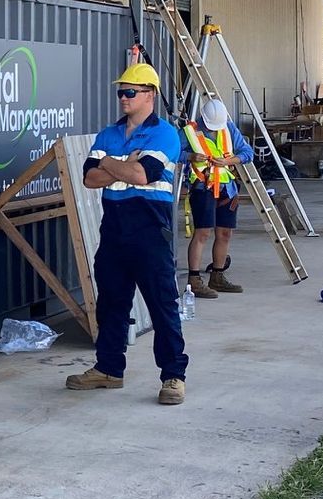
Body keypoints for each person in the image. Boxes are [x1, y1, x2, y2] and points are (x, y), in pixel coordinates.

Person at [65, 62, 188, 405]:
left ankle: (173, 376)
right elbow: (90, 179)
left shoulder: (164, 134)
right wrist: (118, 164)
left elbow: (141, 175)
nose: (123, 97)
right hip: (115, 228)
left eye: (130, 92)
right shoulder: (108, 134)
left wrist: (110, 164)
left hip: (149, 228)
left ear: (150, 95)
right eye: (121, 91)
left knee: (162, 304)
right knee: (111, 304)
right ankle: (109, 369)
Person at [182, 97, 254, 300]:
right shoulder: (189, 131)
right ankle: (194, 280)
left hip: (227, 188)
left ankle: (218, 275)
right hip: (203, 187)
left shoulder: (228, 128)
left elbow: (247, 153)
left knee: (225, 233)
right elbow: (172, 151)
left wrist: (229, 160)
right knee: (203, 232)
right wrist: (190, 157)